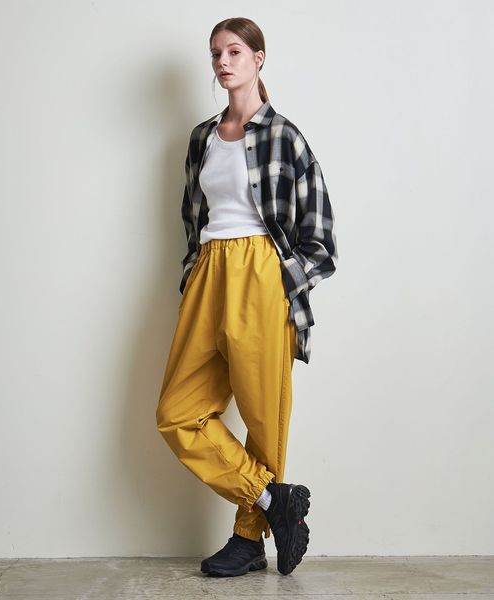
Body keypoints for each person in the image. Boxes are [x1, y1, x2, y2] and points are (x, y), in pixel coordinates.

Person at [156, 17, 337, 577]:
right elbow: (193, 221)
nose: (223, 62)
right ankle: (270, 498)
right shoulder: (201, 139)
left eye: (234, 51)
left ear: (259, 58)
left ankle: (247, 539)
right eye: (215, 53)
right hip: (210, 270)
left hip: (261, 272)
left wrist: (280, 283)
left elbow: (321, 237)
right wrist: (194, 275)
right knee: (177, 413)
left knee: (264, 419)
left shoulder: (285, 137)